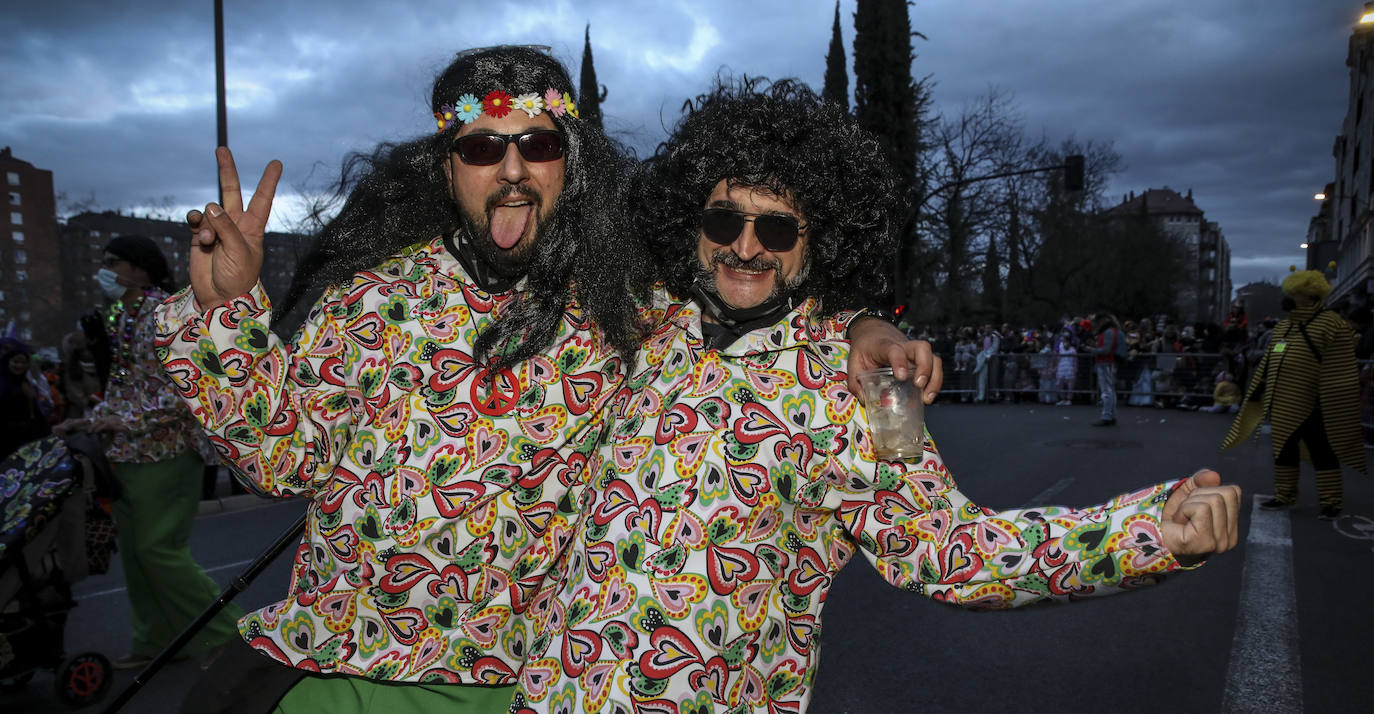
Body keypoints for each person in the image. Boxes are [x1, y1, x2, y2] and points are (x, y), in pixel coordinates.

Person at [157, 47, 939, 712]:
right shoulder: (373, 300)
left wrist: (860, 323)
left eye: (536, 144)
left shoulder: (630, 309)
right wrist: (224, 312)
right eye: (480, 148)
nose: (511, 171)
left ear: (571, 160)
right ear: (446, 167)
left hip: (531, 685)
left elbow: (756, 284)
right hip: (355, 670)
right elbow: (277, 461)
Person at [509, 80, 1242, 714]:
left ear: (818, 239)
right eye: (725, 219)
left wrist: (1147, 537)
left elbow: (951, 551)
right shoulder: (643, 328)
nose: (746, 246)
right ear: (692, 224)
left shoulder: (856, 388)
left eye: (779, 227)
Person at [51, 235, 243, 669]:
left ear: (140, 268)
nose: (105, 269)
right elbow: (127, 385)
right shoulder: (121, 313)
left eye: (113, 262)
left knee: (159, 550)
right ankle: (156, 640)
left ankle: (230, 638)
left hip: (168, 451)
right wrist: (90, 417)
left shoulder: (169, 311)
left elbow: (193, 386)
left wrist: (128, 420)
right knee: (138, 555)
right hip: (124, 454)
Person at [1222, 270, 1366, 519]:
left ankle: (1331, 502)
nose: (1287, 299)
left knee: (1322, 452)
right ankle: (1285, 495)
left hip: (1316, 403)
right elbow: (1272, 359)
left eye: (1293, 294)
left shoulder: (1332, 324)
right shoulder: (1285, 327)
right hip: (1283, 404)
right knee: (1284, 451)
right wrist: (1259, 386)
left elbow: (1342, 365)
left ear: (1309, 296)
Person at [0, 338, 52, 460]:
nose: (20, 366)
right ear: (8, 362)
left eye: (23, 362)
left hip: (28, 441)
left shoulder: (27, 384)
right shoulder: (3, 385)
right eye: (16, 362)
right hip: (7, 444)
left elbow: (35, 412)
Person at [1092, 312, 1123, 425]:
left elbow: (1106, 350)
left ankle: (1107, 415)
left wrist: (1091, 349)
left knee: (1106, 391)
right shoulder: (1111, 331)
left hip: (1105, 363)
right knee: (1110, 390)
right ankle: (1111, 414)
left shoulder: (1108, 332)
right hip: (1107, 363)